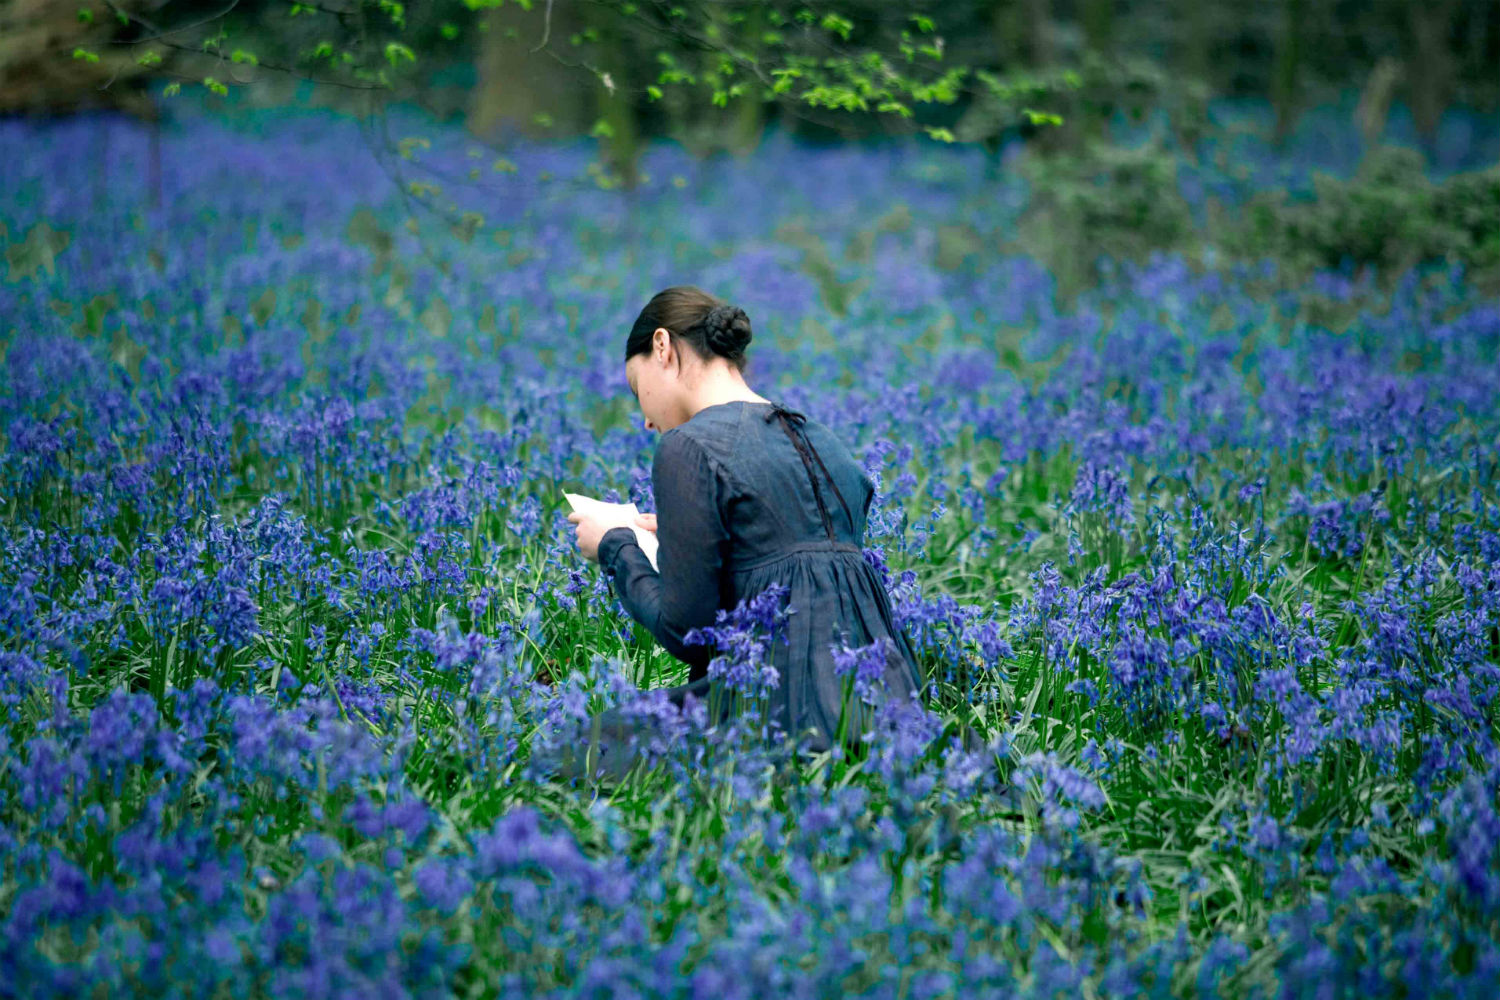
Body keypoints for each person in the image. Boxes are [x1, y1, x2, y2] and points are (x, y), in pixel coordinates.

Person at [563, 285, 927, 779]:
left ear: (663, 348)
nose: (646, 418)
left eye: (636, 388)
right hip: (883, 707)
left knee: (576, 749)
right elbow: (794, 566)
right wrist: (681, 541)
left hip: (777, 708)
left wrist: (615, 545)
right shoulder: (826, 443)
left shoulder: (689, 447)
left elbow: (689, 634)